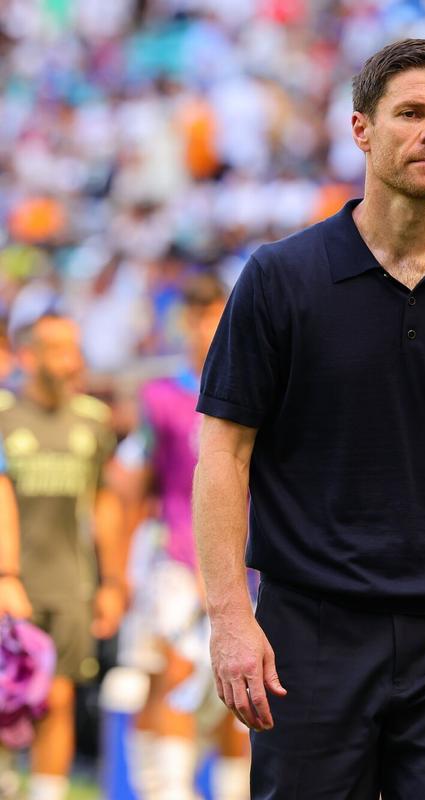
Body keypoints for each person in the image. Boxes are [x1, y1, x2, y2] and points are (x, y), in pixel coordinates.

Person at [193, 39, 425, 799]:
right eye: (412, 113)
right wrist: (231, 617)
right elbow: (223, 456)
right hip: (312, 632)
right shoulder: (280, 276)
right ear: (361, 129)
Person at [110, 272, 250, 800]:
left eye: (219, 316)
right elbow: (132, 484)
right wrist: (120, 570)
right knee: (175, 673)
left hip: (252, 565)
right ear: (186, 323)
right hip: (176, 558)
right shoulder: (162, 397)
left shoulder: (264, 394)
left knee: (243, 687)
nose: (210, 329)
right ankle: (168, 790)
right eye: (201, 318)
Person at [0, 313, 123, 800]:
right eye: (57, 349)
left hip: (70, 584)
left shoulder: (93, 421)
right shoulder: (4, 416)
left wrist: (112, 583)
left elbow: (107, 503)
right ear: (29, 356)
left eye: (74, 347)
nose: (71, 360)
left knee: (60, 696)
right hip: (13, 582)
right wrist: (5, 574)